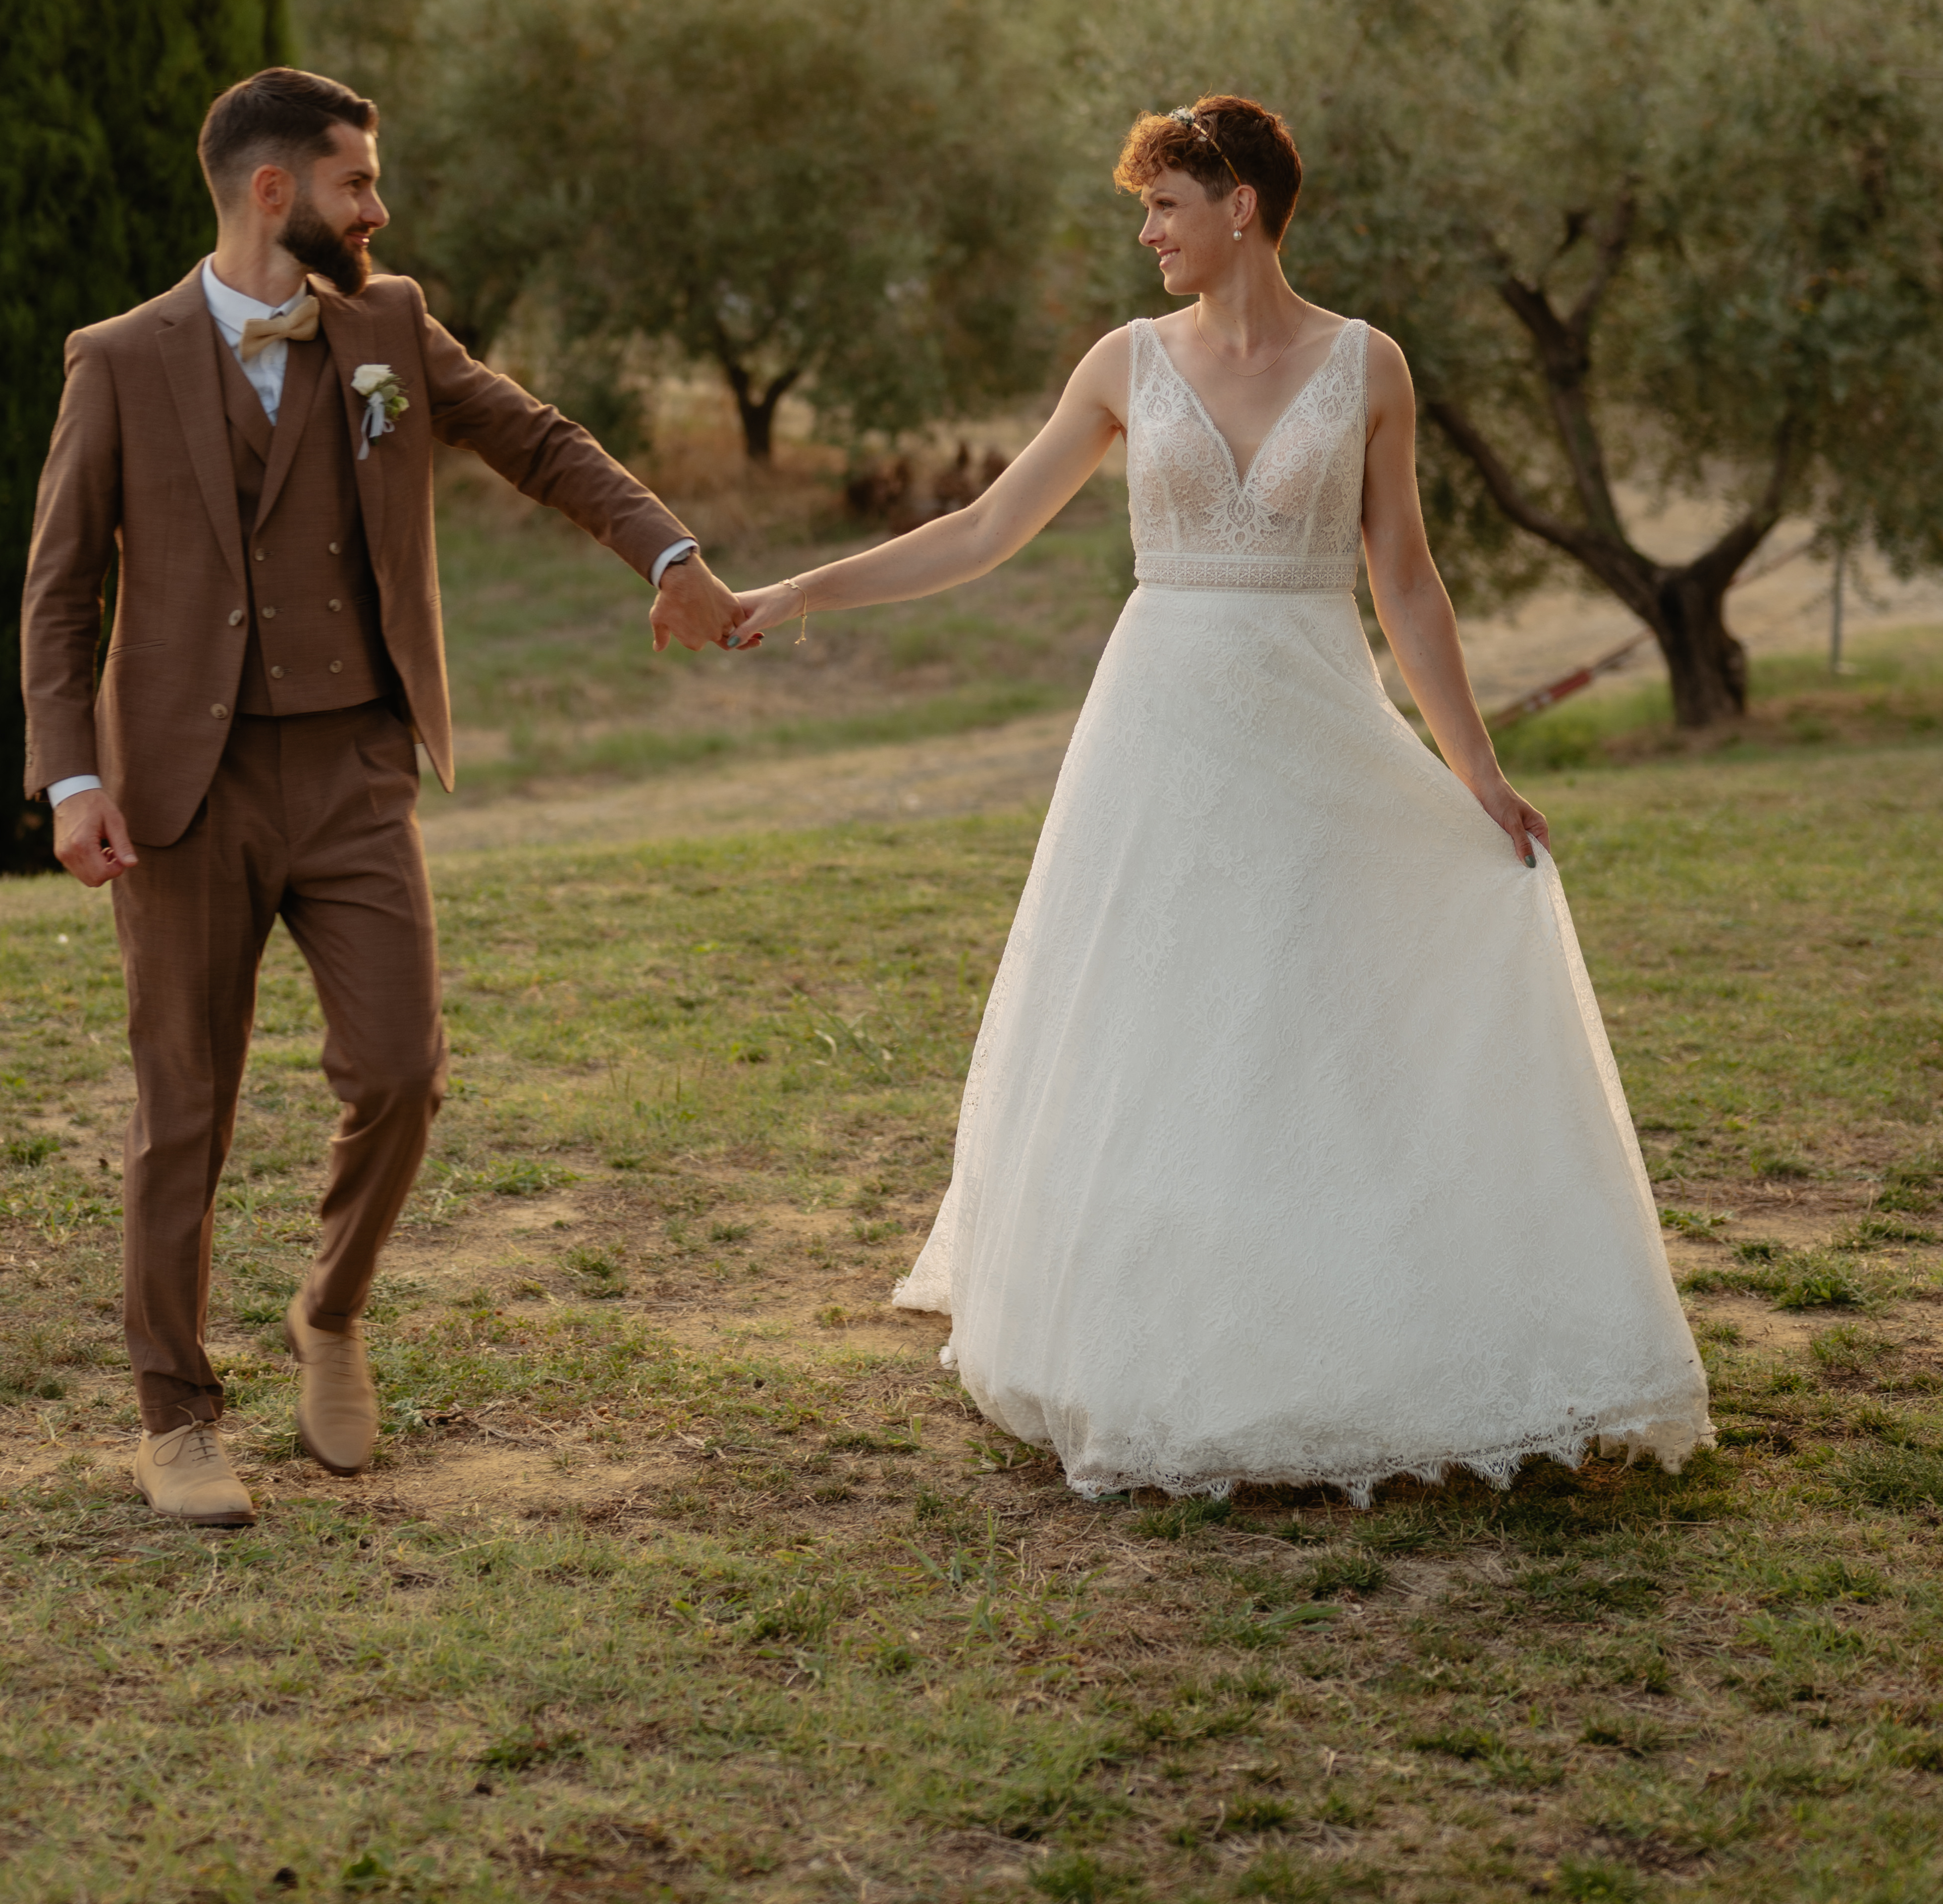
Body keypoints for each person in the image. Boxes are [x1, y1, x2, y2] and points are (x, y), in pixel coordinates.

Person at [730, 93, 1710, 1504]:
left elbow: (1409, 582)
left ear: (1239, 204)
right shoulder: (1126, 364)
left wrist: (1476, 772)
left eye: (1166, 205)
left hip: (1313, 714)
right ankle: (1156, 1338)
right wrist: (800, 590)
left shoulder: (1370, 366)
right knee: (1158, 1013)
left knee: (1305, 1013)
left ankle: (1343, 1321)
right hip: (1162, 723)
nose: (1147, 232)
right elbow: (986, 526)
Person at [21, 65, 746, 1527]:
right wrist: (72, 779)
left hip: (354, 767)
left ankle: (330, 1309)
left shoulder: (389, 325)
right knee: (185, 1105)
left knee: (403, 1066)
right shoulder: (120, 357)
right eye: (358, 181)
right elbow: (60, 588)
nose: (379, 208)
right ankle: (175, 1416)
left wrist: (669, 555)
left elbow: (537, 438)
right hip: (182, 785)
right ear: (275, 192)